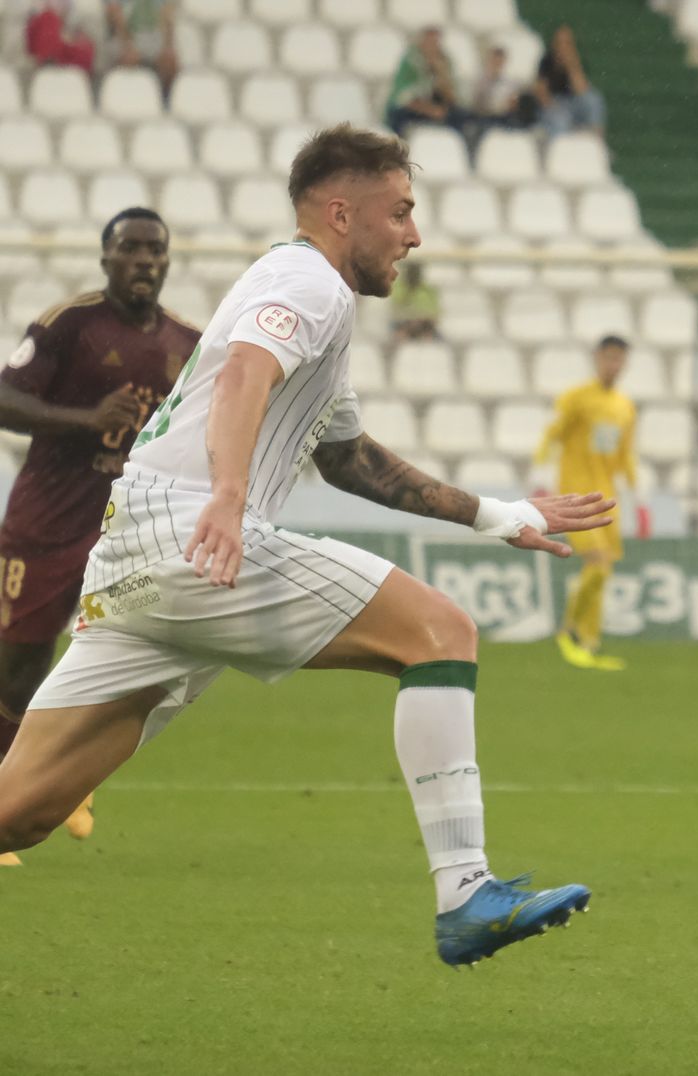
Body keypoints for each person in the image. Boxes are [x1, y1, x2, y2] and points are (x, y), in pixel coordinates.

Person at [0, 125, 613, 965]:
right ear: (340, 213)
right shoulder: (304, 281)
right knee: (441, 634)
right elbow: (248, 370)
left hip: (137, 557)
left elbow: (347, 458)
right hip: (195, 534)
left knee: (19, 811)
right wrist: (225, 496)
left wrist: (494, 515)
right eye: (399, 212)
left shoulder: (312, 301)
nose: (414, 234)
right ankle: (467, 891)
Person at [0, 208, 196, 868]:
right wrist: (87, 419)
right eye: (130, 249)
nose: (144, 260)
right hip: (47, 525)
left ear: (167, 262)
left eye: (155, 250)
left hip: (130, 531)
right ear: (106, 258)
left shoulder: (187, 344)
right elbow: (5, 398)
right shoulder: (69, 325)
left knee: (129, 660)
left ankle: (69, 782)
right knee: (19, 665)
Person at [537, 336, 637, 672]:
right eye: (609, 358)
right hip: (576, 496)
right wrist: (539, 476)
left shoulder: (625, 406)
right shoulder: (577, 399)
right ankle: (568, 632)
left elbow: (625, 456)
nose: (614, 365)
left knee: (603, 568)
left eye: (620, 360)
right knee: (597, 560)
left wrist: (639, 497)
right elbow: (553, 435)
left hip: (609, 498)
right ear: (597, 358)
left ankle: (587, 641)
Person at [385, 26, 470, 138]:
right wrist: (431, 110)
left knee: (461, 116)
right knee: (398, 117)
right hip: (412, 108)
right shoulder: (410, 61)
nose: (432, 47)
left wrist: (441, 73)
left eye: (435, 42)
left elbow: (452, 97)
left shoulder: (444, 61)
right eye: (430, 42)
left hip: (434, 104)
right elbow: (403, 97)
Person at [535, 24, 607, 138]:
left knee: (594, 100)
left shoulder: (575, 61)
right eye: (560, 42)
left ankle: (597, 143)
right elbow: (542, 93)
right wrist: (555, 108)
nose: (562, 47)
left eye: (567, 43)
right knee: (559, 118)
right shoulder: (546, 62)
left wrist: (571, 65)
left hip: (572, 101)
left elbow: (582, 90)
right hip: (554, 104)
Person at [104, 0, 177, 96]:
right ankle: (127, 97)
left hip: (154, 37)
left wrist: (167, 46)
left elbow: (168, 16)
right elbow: (114, 14)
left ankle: (164, 102)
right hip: (126, 37)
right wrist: (128, 45)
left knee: (169, 62)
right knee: (129, 58)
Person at [25, 1, 96, 75]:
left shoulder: (77, 23)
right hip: (44, 71)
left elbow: (87, 59)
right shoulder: (46, 18)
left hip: (71, 75)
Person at [473, 45, 532, 130]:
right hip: (486, 117)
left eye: (500, 61)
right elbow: (477, 104)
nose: (497, 64)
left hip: (506, 117)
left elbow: (516, 100)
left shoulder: (511, 82)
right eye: (495, 61)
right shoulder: (481, 80)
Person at [388, 261, 440, 342]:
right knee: (397, 336)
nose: (412, 274)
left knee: (433, 338)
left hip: (424, 325)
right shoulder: (398, 287)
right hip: (403, 324)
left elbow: (434, 314)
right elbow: (395, 309)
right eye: (410, 271)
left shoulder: (428, 290)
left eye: (415, 271)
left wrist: (419, 319)